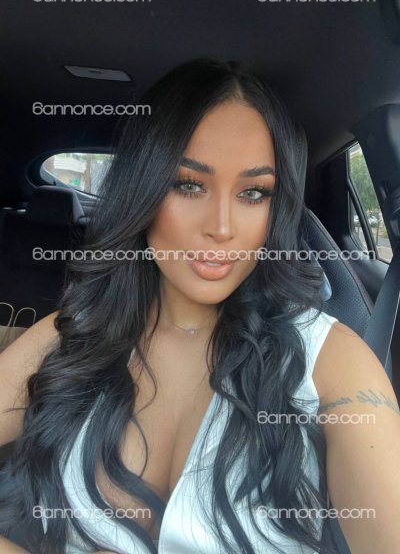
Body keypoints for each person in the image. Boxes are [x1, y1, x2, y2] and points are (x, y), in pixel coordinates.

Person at [0, 58, 399, 554]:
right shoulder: (72, 335)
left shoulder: (331, 362)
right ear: (142, 191)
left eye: (253, 192)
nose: (222, 227)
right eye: (189, 184)